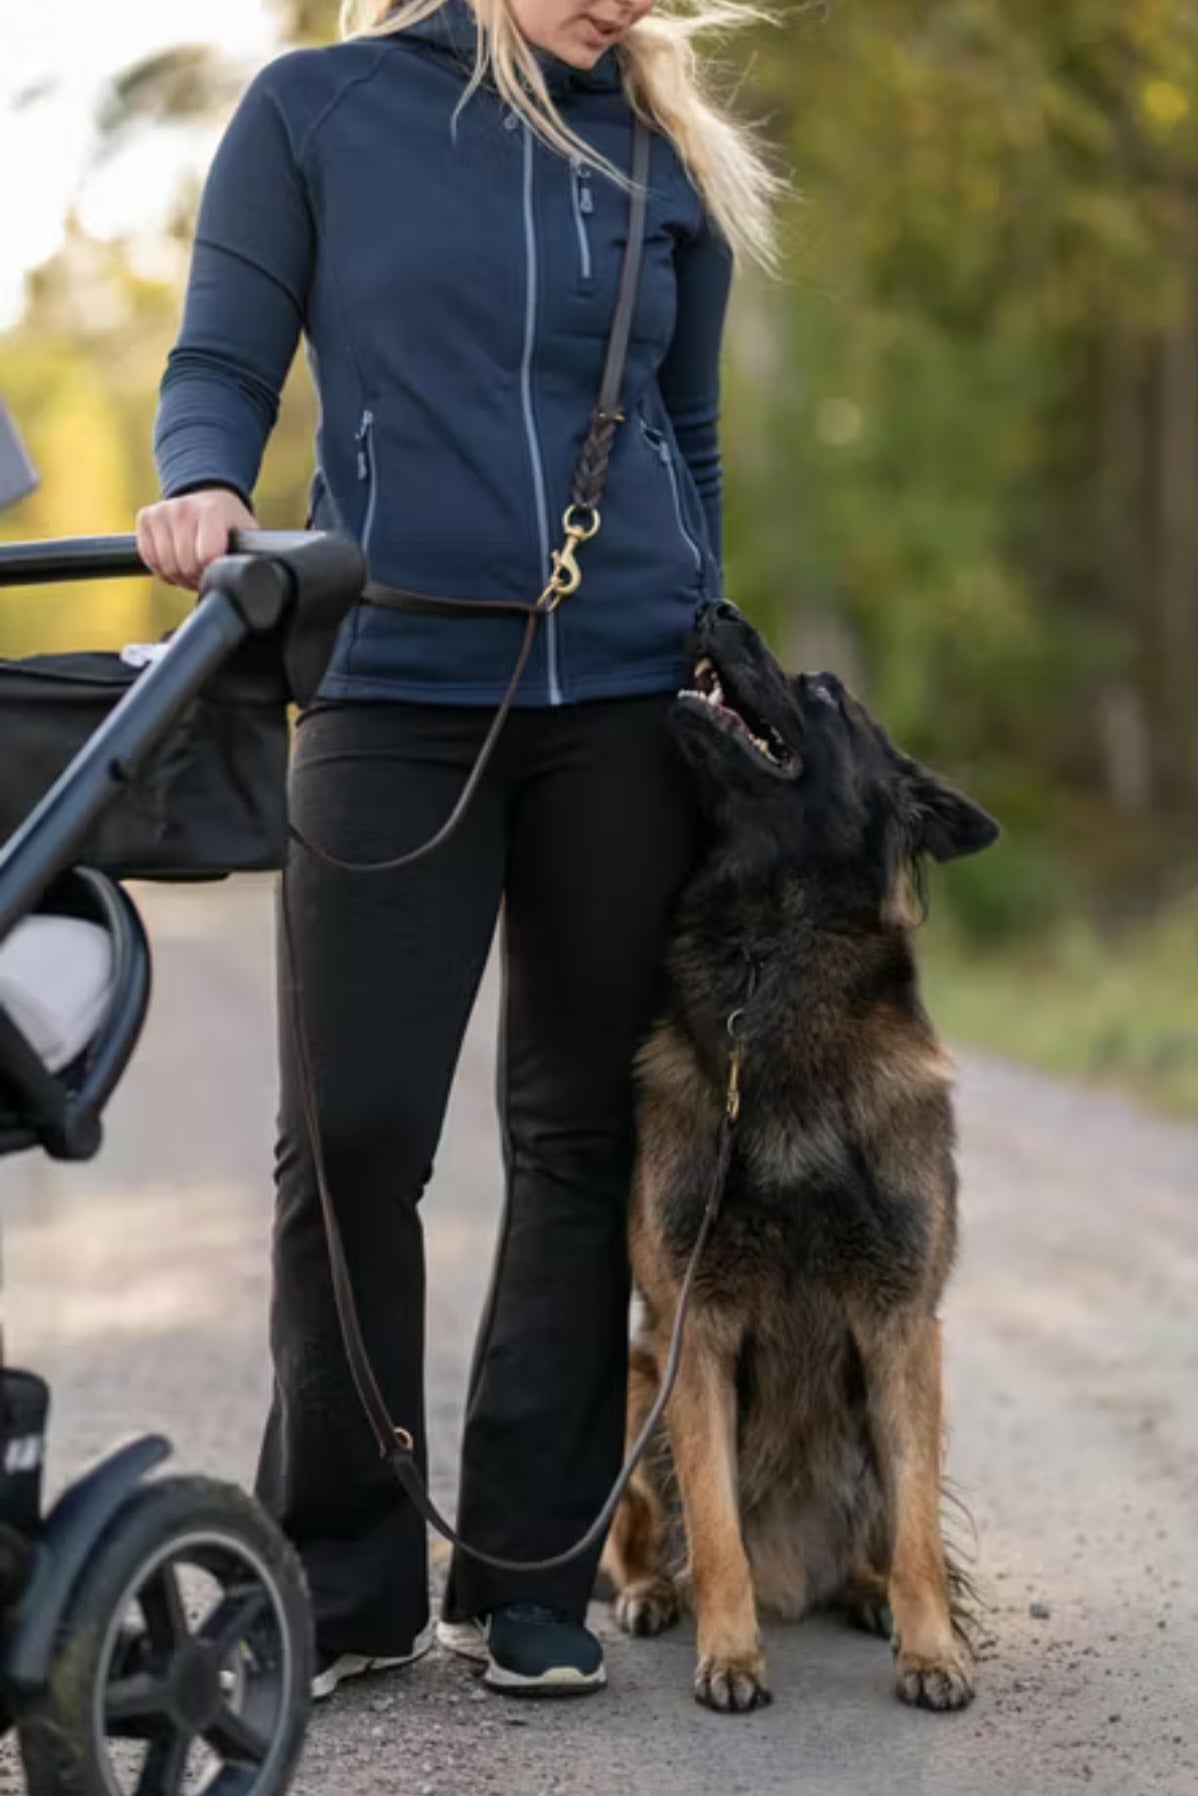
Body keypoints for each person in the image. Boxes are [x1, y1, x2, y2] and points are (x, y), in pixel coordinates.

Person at [137, 0, 783, 1702]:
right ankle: (344, 1575)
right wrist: (201, 484)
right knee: (350, 1133)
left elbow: (687, 440)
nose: (625, 5)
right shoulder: (317, 109)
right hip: (390, 670)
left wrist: (700, 610)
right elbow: (220, 364)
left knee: (577, 1133)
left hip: (625, 684)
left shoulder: (665, 159)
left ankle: (524, 1574)